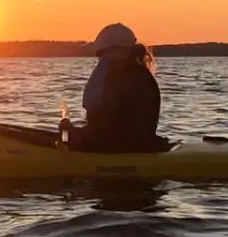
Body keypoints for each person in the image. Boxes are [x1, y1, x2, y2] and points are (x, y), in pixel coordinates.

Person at [66, 23, 167, 152]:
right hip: (136, 144)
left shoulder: (122, 77)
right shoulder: (138, 74)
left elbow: (108, 124)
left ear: (114, 51)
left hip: (119, 147)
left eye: (101, 54)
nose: (100, 59)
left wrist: (74, 133)